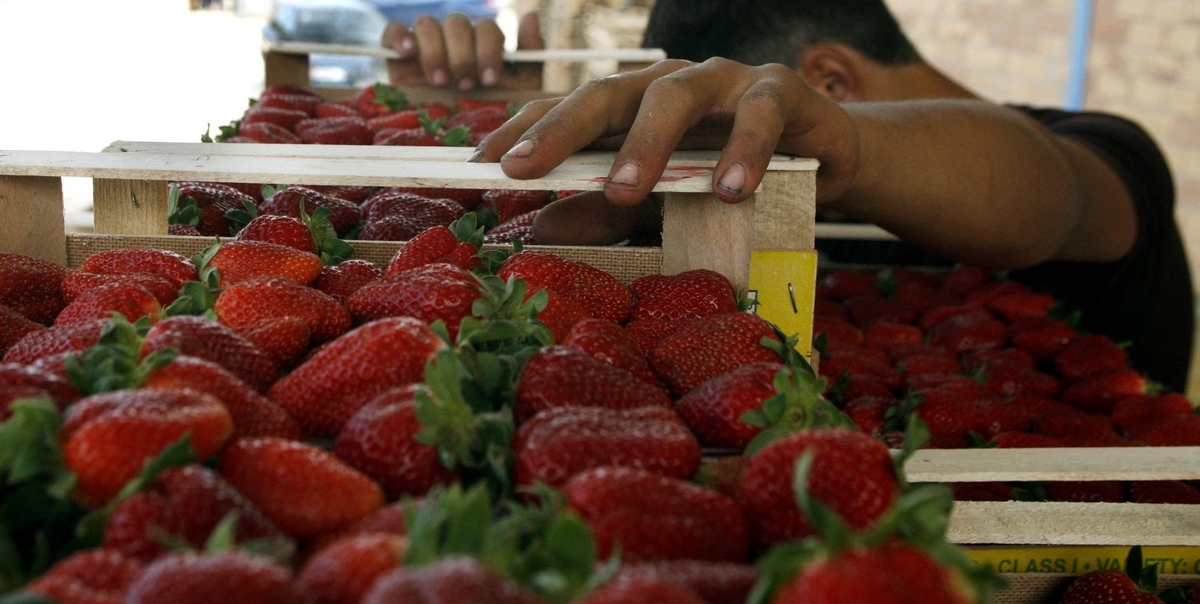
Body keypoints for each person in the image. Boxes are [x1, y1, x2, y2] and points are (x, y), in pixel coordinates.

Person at [381, 1, 1194, 393]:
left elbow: (1054, 199)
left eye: (729, 133)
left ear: (827, 82)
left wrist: (845, 140)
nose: (732, 172)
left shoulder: (1108, 151)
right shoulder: (739, 211)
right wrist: (455, 122)